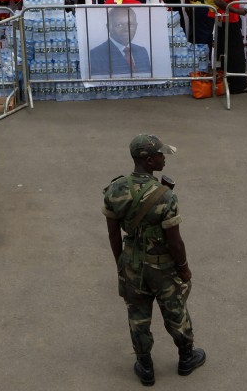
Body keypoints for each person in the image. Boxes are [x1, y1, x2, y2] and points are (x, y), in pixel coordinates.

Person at [103, 134, 206, 386]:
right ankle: (186, 358)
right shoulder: (165, 196)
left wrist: (121, 263)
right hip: (162, 267)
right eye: (161, 155)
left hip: (132, 265)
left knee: (138, 316)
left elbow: (113, 233)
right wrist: (184, 269)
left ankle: (146, 367)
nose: (164, 157)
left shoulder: (115, 189)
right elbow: (175, 241)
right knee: (175, 310)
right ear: (149, 161)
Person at [88, 5, 152, 78]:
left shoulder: (142, 51)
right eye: (119, 25)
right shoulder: (96, 55)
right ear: (108, 27)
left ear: (136, 26)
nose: (126, 29)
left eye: (130, 24)